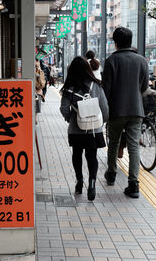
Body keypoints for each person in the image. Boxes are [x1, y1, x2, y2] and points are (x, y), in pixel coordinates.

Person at [102, 27, 149, 198]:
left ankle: (112, 173)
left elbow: (106, 90)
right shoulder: (142, 60)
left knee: (113, 142)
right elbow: (144, 88)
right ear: (131, 41)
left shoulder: (111, 61)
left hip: (116, 110)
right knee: (134, 145)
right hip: (136, 110)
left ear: (115, 42)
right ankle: (133, 184)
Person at [60, 56, 109, 201]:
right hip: (94, 129)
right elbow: (105, 108)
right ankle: (92, 183)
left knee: (77, 154)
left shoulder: (69, 87)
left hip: (76, 129)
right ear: (88, 70)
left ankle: (79, 181)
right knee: (92, 156)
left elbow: (63, 108)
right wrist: (102, 122)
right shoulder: (96, 85)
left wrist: (71, 118)